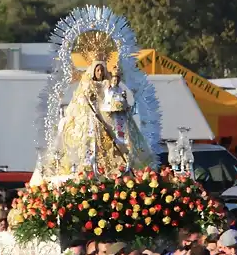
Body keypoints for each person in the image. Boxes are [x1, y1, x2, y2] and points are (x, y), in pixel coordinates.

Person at [38, 32, 153, 179]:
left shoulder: (108, 84)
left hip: (108, 117)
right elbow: (81, 101)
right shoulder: (87, 84)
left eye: (102, 69)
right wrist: (89, 104)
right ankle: (87, 168)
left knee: (119, 139)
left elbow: (115, 97)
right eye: (98, 69)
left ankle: (120, 166)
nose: (100, 72)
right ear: (93, 70)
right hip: (92, 118)